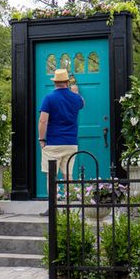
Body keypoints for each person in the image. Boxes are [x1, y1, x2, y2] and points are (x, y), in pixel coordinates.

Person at [38, 68, 85, 216]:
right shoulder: (76, 98)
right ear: (66, 82)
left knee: (51, 176)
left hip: (53, 143)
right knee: (68, 175)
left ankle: (53, 207)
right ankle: (68, 206)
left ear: (55, 82)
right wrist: (75, 91)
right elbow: (82, 102)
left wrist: (42, 139)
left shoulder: (49, 98)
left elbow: (43, 120)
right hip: (71, 143)